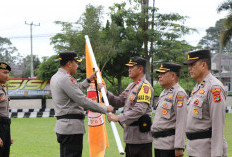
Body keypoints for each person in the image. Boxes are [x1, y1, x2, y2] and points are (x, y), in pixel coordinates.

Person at [50, 51, 113, 157]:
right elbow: (82, 100)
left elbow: (74, 91)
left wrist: (88, 80)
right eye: (76, 62)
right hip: (71, 128)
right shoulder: (65, 79)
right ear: (69, 63)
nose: (77, 66)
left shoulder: (56, 77)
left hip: (65, 126)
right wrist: (104, 109)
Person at [100, 57, 154, 157]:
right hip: (130, 137)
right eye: (128, 67)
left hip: (141, 139)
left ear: (140, 69)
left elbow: (139, 110)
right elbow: (119, 101)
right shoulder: (131, 86)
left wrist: (118, 118)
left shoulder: (145, 87)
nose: (129, 69)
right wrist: (106, 93)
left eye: (131, 67)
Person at [183, 49, 227, 157]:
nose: (189, 68)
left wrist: (216, 154)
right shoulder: (198, 87)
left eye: (192, 65)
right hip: (194, 149)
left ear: (203, 65)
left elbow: (218, 124)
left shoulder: (214, 87)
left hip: (206, 151)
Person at [151, 63, 188, 157]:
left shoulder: (179, 94)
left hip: (169, 146)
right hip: (159, 144)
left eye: (163, 73)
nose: (159, 76)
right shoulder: (164, 93)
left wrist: (179, 146)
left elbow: (181, 121)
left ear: (172, 76)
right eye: (159, 73)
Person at [0, 62, 13, 157]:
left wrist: (8, 135)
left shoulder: (2, 89)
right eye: (4, 72)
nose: (7, 75)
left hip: (5, 126)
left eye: (8, 73)